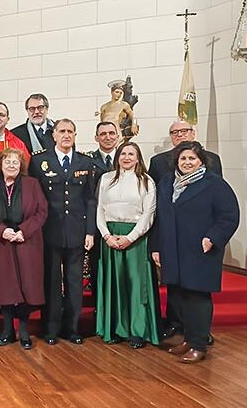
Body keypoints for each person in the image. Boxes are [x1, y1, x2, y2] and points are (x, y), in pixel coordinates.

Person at [151, 141, 239, 363]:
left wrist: (213, 238)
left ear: (201, 161)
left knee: (197, 297)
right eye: (183, 158)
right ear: (176, 161)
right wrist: (156, 247)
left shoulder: (214, 184)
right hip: (173, 251)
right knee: (179, 297)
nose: (187, 162)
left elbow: (229, 216)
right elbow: (158, 218)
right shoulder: (167, 182)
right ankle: (188, 340)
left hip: (200, 251)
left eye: (192, 159)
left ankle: (199, 344)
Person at [147, 119, 222, 342]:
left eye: (184, 131)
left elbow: (220, 205)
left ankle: (199, 334)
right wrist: (157, 243)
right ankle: (178, 326)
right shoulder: (161, 166)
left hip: (199, 238)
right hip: (171, 237)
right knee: (175, 286)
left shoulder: (212, 169)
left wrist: (212, 236)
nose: (180, 135)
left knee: (197, 290)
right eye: (175, 132)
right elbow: (157, 205)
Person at [29, 118, 97, 345]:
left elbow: (90, 199)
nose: (66, 135)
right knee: (51, 280)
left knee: (75, 282)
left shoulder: (85, 163)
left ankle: (73, 328)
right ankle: (50, 328)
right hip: (49, 230)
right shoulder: (39, 161)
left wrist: (90, 231)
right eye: (62, 131)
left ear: (75, 135)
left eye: (70, 131)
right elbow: (33, 198)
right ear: (54, 135)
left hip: (77, 231)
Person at [95, 142, 161, 349]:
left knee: (135, 284)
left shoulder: (147, 182)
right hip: (110, 236)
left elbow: (148, 214)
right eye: (123, 153)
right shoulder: (106, 179)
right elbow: (99, 209)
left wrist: (130, 238)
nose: (126, 157)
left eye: (131, 154)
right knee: (114, 282)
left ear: (138, 157)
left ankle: (137, 331)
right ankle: (114, 328)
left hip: (135, 238)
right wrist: (106, 235)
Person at [0, 148, 48, 350]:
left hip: (27, 242)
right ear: (0, 165)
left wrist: (23, 231)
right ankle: (6, 329)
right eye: (7, 161)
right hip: (1, 243)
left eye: (16, 162)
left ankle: (24, 330)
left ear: (21, 166)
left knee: (27, 286)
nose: (11, 165)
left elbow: (42, 211)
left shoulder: (32, 184)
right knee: (5, 287)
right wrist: (1, 231)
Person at [88, 121, 120, 303]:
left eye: (111, 133)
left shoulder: (127, 158)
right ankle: (99, 309)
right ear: (96, 138)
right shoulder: (87, 161)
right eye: (103, 134)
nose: (107, 137)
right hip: (97, 225)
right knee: (98, 268)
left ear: (117, 136)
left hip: (123, 224)